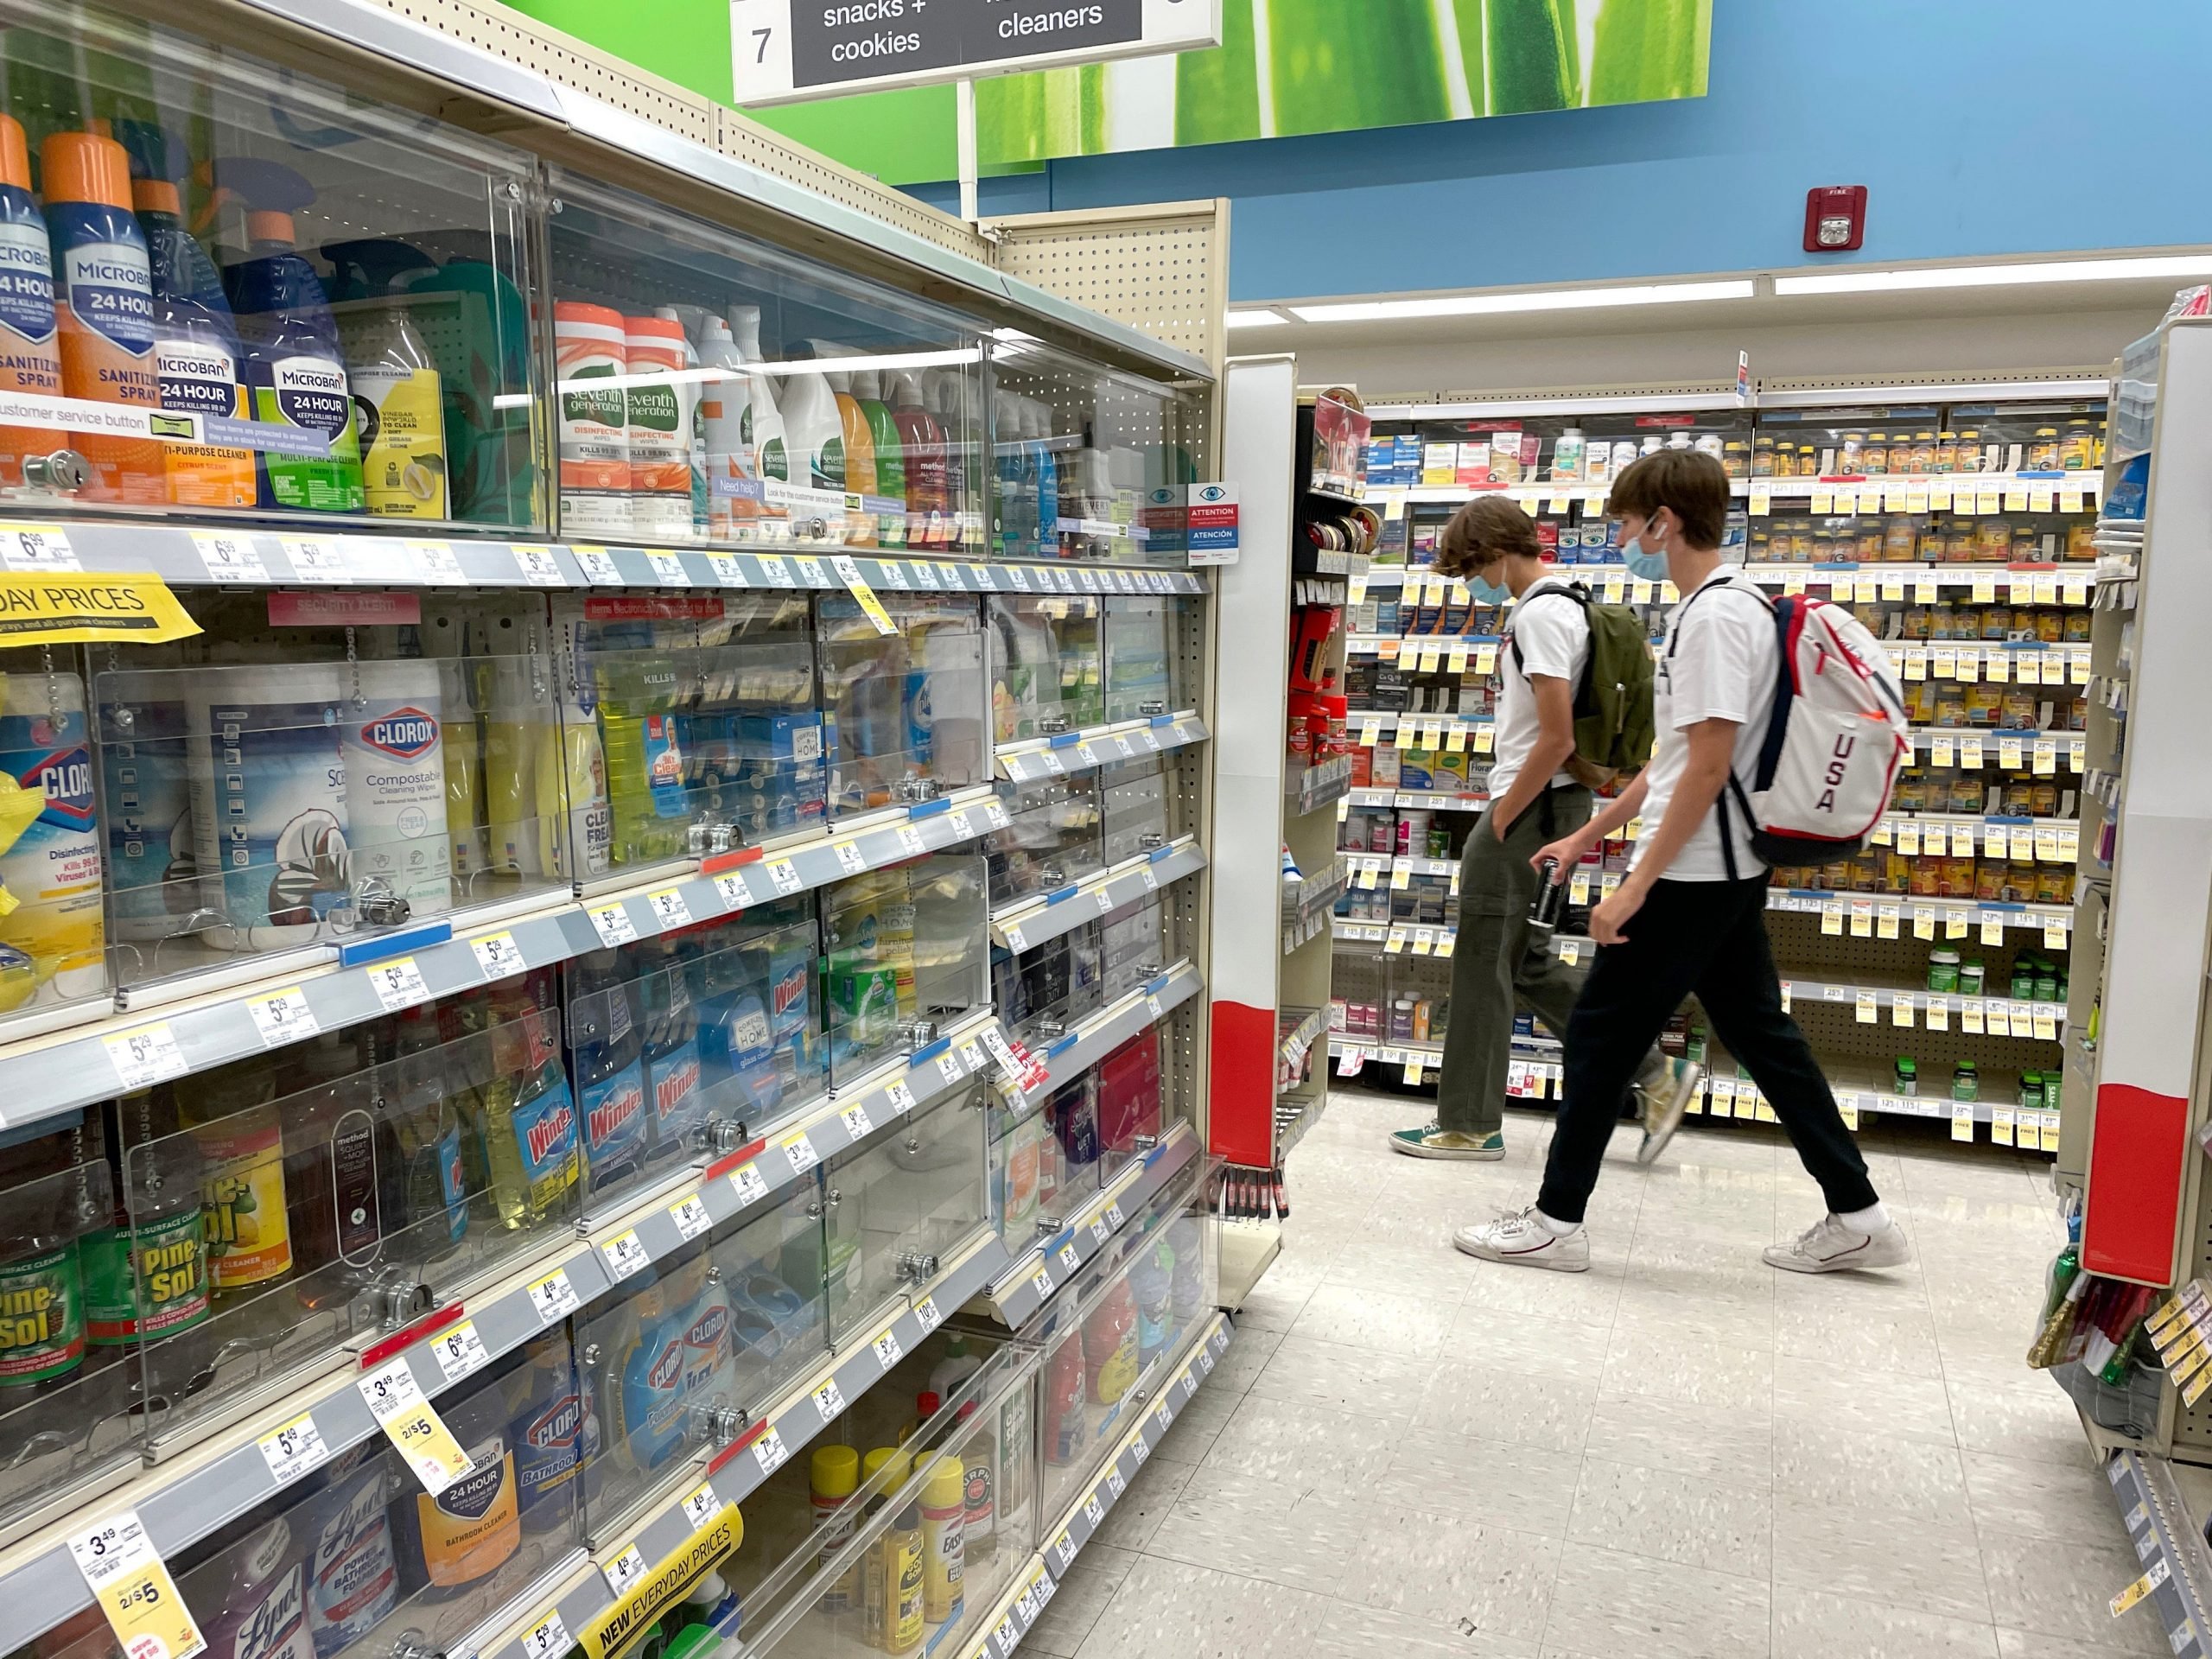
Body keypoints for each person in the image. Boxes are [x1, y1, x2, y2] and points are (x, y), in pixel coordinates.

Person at [1454, 449, 1910, 1274]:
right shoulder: (1731, 606)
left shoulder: (1711, 618)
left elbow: (1706, 766)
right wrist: (1590, 836)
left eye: (1628, 524)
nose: (1622, 538)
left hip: (1697, 870)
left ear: (1664, 523)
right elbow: (1675, 762)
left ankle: (1557, 1221)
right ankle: (1860, 1210)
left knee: (1598, 1033)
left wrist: (1634, 886)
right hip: (1722, 864)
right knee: (1761, 1034)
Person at [1388, 495, 1696, 1163]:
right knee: (1525, 964)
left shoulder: (1540, 616)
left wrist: (1500, 818)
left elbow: (1555, 737)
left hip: (1531, 812)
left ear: (1496, 553)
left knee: (1480, 963)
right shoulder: (1566, 605)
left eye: (1471, 565)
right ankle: (1653, 1073)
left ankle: (1469, 1124)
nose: (1472, 580)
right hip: (1555, 809)